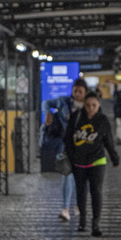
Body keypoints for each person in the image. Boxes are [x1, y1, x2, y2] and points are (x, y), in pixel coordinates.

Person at [64, 91, 119, 237]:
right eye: (87, 105)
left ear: (99, 105)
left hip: (97, 160)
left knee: (96, 191)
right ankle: (82, 221)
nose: (90, 108)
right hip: (79, 162)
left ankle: (96, 223)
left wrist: (114, 158)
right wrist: (72, 156)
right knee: (81, 192)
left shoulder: (102, 120)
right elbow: (68, 139)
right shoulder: (76, 118)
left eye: (94, 105)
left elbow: (109, 141)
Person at [42, 78, 88, 222]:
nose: (77, 94)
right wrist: (47, 113)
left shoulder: (89, 105)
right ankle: (65, 208)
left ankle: (78, 205)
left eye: (80, 91)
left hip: (83, 146)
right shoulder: (63, 101)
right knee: (66, 175)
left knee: (80, 178)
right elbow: (46, 102)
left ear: (85, 92)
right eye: (75, 90)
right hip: (65, 145)